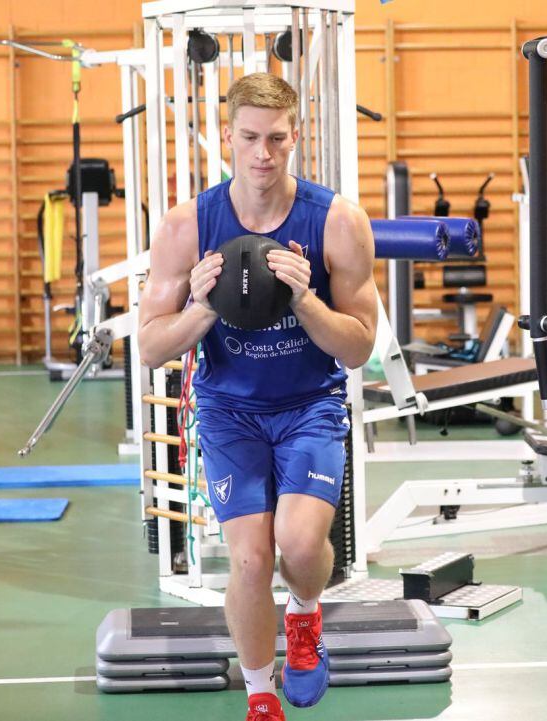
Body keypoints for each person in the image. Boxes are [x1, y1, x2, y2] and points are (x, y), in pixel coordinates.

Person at [138, 73, 378, 721]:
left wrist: (304, 299)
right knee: (248, 557)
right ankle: (260, 693)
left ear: (296, 135)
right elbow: (151, 347)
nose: (262, 154)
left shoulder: (337, 222)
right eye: (248, 138)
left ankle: (304, 614)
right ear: (226, 138)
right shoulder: (189, 226)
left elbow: (357, 349)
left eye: (276, 138)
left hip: (309, 405)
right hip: (229, 410)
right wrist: (202, 307)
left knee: (300, 548)